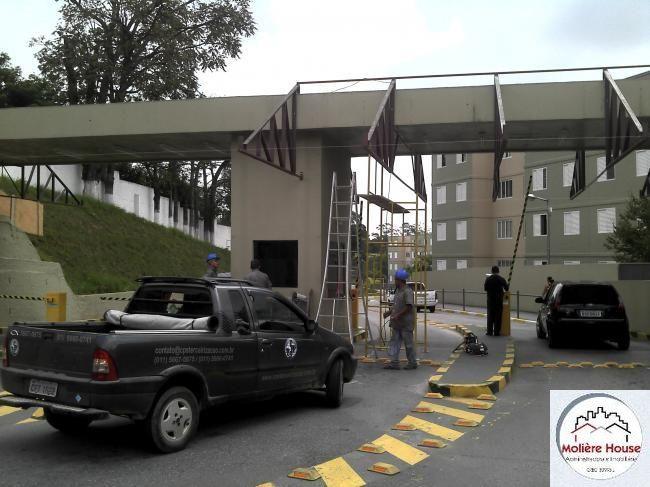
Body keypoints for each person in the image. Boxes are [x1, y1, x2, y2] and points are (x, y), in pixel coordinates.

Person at [383, 268, 417, 370]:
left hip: (406, 323)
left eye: (396, 279)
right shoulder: (398, 291)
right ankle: (394, 363)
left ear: (400, 280)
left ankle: (412, 363)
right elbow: (396, 305)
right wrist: (389, 313)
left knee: (409, 344)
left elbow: (409, 306)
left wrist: (398, 315)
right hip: (397, 323)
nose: (395, 281)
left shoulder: (408, 291)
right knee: (395, 342)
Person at [484, 265, 509, 336]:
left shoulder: (488, 279)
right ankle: (497, 332)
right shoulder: (501, 279)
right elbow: (506, 288)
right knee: (498, 317)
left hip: (490, 300)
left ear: (492, 271)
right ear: (498, 271)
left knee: (490, 316)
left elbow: (485, 288)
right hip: (499, 301)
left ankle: (489, 332)